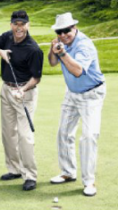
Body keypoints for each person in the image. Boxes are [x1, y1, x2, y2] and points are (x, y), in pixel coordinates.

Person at [48, 12, 106, 196]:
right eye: (60, 31)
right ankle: (67, 172)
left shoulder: (84, 45)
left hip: (92, 94)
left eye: (67, 30)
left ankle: (89, 182)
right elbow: (51, 63)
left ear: (74, 28)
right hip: (72, 94)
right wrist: (53, 49)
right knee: (63, 133)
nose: (64, 34)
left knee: (88, 136)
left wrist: (62, 52)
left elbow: (78, 71)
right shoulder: (60, 43)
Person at [0, 10, 43, 191]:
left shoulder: (33, 49)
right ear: (11, 24)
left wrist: (23, 89)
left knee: (25, 136)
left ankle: (30, 175)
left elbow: (36, 78)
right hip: (6, 90)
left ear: (28, 25)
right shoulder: (7, 37)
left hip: (25, 93)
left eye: (22, 24)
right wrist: (0, 52)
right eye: (16, 24)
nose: (19, 28)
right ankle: (15, 169)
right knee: (8, 132)